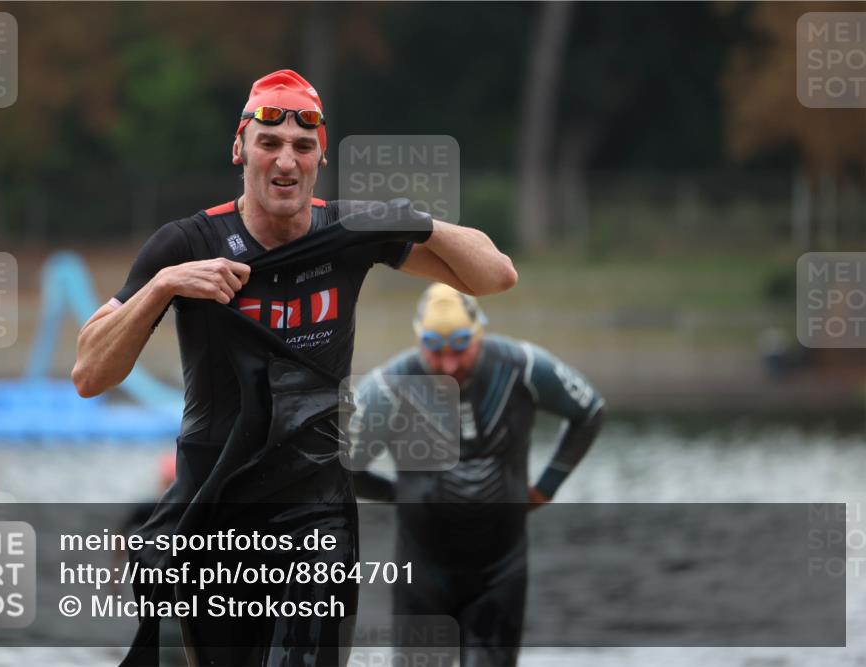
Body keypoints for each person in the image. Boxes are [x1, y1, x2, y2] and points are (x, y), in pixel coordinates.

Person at [71, 69, 517, 666]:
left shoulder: (349, 231)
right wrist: (163, 286)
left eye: (303, 147)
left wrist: (417, 220)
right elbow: (89, 374)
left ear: (319, 158)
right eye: (270, 144)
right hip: (216, 515)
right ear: (241, 149)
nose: (286, 161)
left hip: (316, 513)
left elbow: (497, 276)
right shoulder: (186, 244)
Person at [349, 283, 606, 667]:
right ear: (420, 340)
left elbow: (590, 412)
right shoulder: (387, 387)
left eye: (460, 349)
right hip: (423, 571)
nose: (449, 365)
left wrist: (546, 488)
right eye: (436, 351)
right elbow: (337, 463)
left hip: (499, 570)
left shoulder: (524, 367)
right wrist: (394, 494)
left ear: (479, 335)